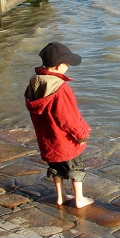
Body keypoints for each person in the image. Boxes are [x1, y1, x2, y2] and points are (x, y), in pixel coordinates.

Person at [24, 42, 94, 209]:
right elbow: (67, 118)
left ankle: (61, 196)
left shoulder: (34, 83)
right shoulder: (60, 89)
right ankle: (79, 199)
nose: (68, 67)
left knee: (55, 168)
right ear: (58, 66)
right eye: (67, 64)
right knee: (75, 168)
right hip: (64, 140)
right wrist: (81, 135)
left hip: (48, 139)